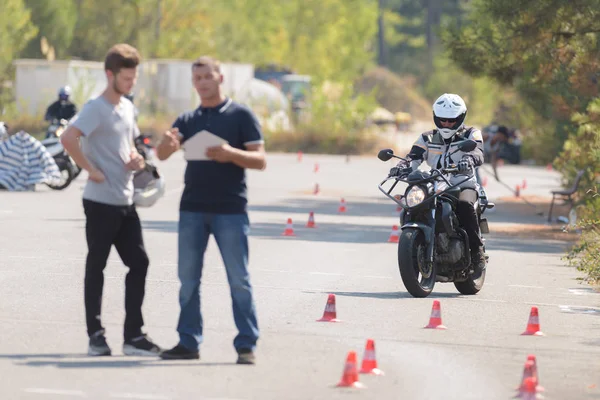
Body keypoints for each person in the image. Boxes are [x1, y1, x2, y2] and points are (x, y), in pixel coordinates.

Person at [156, 56, 266, 365]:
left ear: (220, 78)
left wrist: (230, 154)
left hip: (230, 210)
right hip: (191, 208)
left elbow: (260, 160)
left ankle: (246, 344)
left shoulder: (241, 114)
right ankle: (188, 341)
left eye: (207, 76)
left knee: (239, 280)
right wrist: (167, 143)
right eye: (197, 78)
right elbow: (162, 155)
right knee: (188, 280)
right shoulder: (187, 119)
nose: (202, 82)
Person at [60, 43, 161, 357]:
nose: (131, 84)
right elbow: (67, 138)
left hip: (125, 199)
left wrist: (137, 161)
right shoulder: (95, 107)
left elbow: (130, 145)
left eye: (134, 78)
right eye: (127, 79)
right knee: (97, 267)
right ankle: (96, 335)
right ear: (110, 74)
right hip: (99, 201)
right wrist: (90, 169)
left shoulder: (127, 108)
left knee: (139, 263)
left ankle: (133, 337)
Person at [394, 93, 486, 273]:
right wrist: (401, 166)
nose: (446, 124)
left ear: (460, 118)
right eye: (442, 120)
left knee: (466, 205)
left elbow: (478, 152)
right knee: (412, 205)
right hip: (435, 184)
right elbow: (414, 156)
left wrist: (468, 160)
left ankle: (477, 252)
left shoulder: (471, 134)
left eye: (451, 120)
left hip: (463, 183)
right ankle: (415, 248)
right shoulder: (427, 138)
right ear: (436, 117)